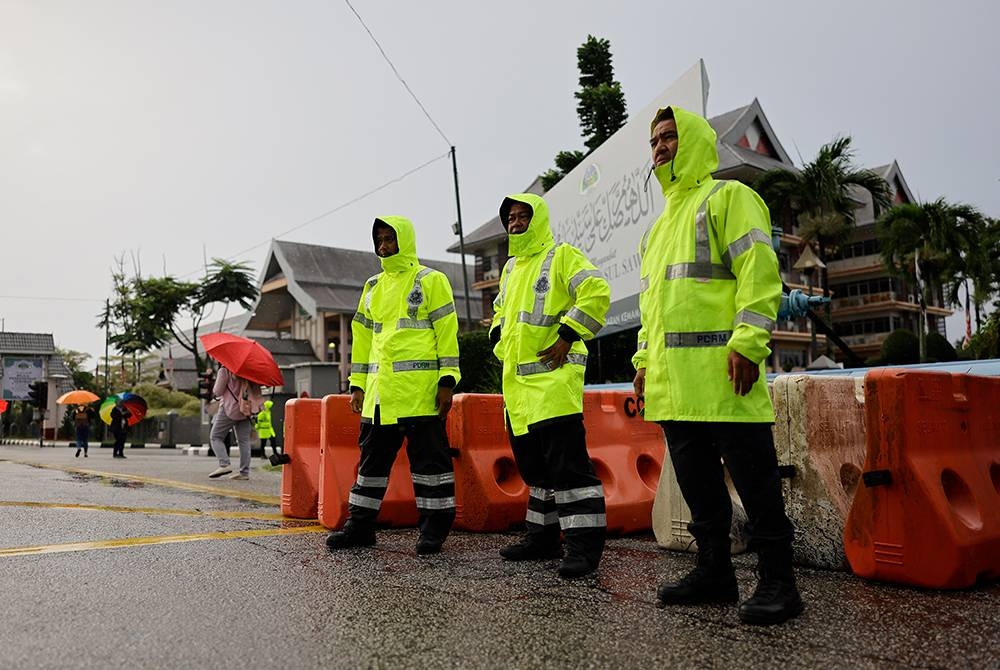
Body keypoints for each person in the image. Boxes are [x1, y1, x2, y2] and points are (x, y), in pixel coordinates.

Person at [633, 105, 802, 625]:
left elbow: (759, 270)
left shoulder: (729, 198)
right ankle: (715, 572)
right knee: (698, 487)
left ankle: (780, 582)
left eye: (670, 136)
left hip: (726, 376)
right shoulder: (658, 229)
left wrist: (750, 343)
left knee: (755, 483)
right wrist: (642, 363)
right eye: (655, 140)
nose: (661, 146)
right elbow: (652, 308)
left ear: (696, 141)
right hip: (674, 385)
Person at [490, 193, 611, 579]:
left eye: (522, 215)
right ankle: (541, 537)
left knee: (569, 471)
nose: (515, 222)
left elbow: (596, 291)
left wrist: (567, 335)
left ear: (537, 219)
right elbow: (499, 313)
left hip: (555, 386)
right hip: (519, 391)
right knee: (537, 473)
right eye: (510, 217)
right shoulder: (510, 269)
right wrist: (497, 340)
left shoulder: (561, 256)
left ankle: (584, 549)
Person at [326, 216, 461, 556]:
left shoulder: (431, 280)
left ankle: (434, 530)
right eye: (379, 240)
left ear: (405, 241)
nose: (384, 246)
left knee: (430, 467)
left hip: (420, 394)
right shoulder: (372, 286)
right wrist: (357, 383)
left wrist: (448, 379)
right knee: (371, 466)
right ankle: (360, 527)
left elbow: (446, 331)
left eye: (390, 239)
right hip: (379, 395)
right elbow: (362, 338)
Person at [208, 367, 262, 480]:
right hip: (246, 409)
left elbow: (218, 391)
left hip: (229, 409)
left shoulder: (225, 370)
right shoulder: (249, 370)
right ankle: (244, 472)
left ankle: (224, 464)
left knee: (215, 437)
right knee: (244, 441)